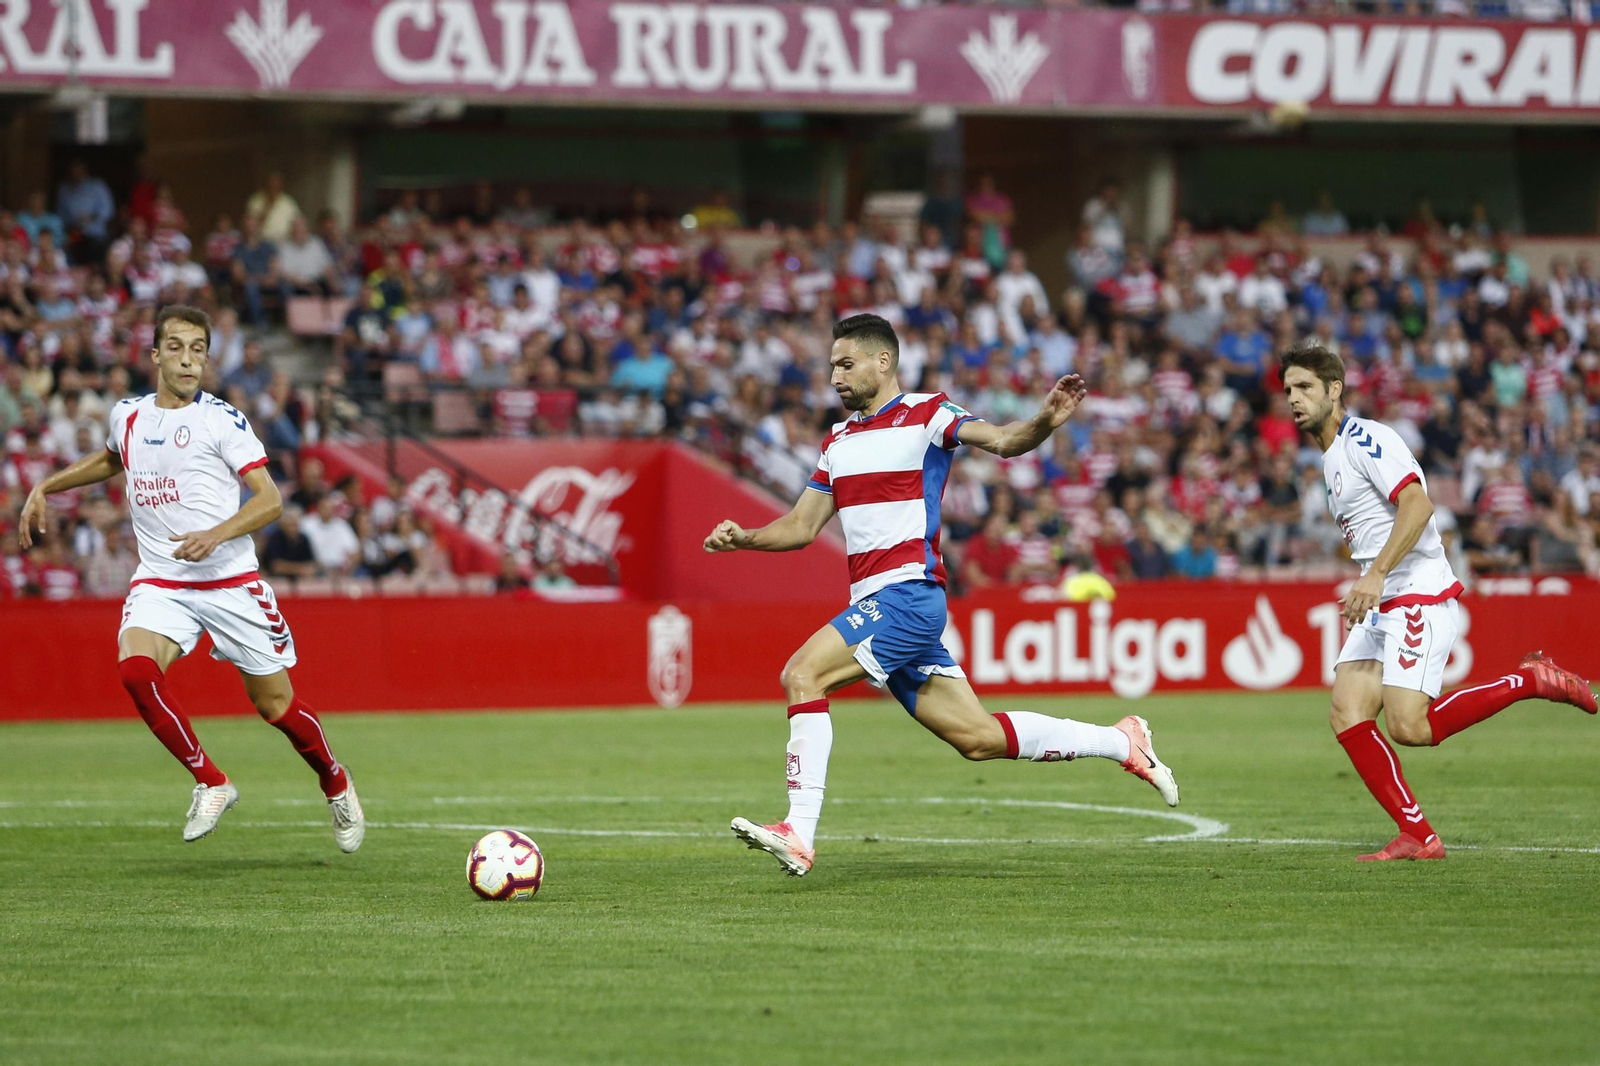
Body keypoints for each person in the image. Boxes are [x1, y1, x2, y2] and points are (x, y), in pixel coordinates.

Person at [703, 313, 1179, 878]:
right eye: (831, 366)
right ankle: (1121, 742)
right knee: (977, 739)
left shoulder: (929, 415)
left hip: (907, 595)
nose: (835, 376)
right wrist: (747, 539)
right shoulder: (838, 441)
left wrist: (1045, 421)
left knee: (802, 675)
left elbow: (1003, 439)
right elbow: (802, 527)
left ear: (884, 362)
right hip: (877, 603)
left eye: (845, 364)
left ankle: (799, 831)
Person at [17, 305, 364, 851]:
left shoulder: (222, 420)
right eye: (176, 347)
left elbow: (270, 500)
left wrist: (218, 534)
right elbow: (112, 461)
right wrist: (47, 486)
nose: (187, 359)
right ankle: (211, 780)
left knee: (276, 707)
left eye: (198, 349)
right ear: (155, 355)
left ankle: (335, 780)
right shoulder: (128, 415)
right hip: (162, 581)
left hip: (229, 584)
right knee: (135, 672)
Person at [1280, 340, 1595, 863]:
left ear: (1334, 390)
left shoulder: (1366, 439)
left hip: (1414, 592)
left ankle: (1530, 679)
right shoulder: (1330, 456)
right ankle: (1418, 836)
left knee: (1409, 727)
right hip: (1383, 599)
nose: (1294, 398)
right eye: (1289, 389)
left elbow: (1418, 504)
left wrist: (1376, 575)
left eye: (1305, 387)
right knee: (1347, 712)